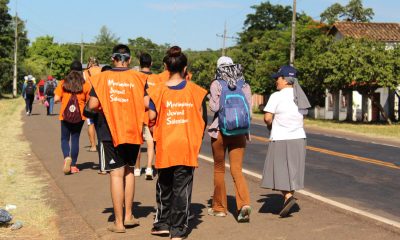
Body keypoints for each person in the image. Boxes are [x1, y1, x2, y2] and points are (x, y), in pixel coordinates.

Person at [148, 46, 207, 240]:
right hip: (186, 145)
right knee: (182, 189)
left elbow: (151, 116)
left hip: (166, 144)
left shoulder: (157, 91)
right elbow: (202, 119)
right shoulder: (196, 91)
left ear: (165, 66)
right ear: (185, 68)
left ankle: (162, 223)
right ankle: (178, 229)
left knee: (164, 186)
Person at [88, 44, 147, 233]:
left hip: (109, 131)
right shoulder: (138, 78)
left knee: (116, 174)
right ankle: (129, 215)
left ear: (112, 59)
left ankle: (118, 223)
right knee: (129, 172)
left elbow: (93, 105)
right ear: (129, 60)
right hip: (132, 130)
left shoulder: (101, 78)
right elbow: (146, 103)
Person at [261, 65, 311, 218]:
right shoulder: (300, 96)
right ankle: (288, 198)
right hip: (298, 138)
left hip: (281, 138)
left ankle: (288, 197)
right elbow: (303, 116)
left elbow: (267, 117)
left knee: (278, 171)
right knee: (293, 172)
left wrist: (270, 124)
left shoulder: (276, 96)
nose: (276, 81)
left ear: (285, 79)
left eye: (278, 78)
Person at [207, 56, 252, 222]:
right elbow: (249, 111)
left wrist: (210, 98)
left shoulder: (216, 83)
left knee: (219, 169)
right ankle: (244, 204)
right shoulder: (244, 84)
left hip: (220, 131)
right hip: (239, 132)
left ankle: (219, 208)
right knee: (237, 169)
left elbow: (214, 107)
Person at [54, 61, 91, 174]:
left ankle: (66, 157)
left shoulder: (63, 83)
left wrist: (63, 100)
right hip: (79, 116)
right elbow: (89, 100)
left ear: (70, 70)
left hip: (65, 115)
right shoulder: (85, 84)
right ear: (81, 71)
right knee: (75, 139)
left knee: (64, 139)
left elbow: (55, 99)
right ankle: (73, 165)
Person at [133, 53, 161, 180]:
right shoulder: (157, 78)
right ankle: (149, 168)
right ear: (151, 63)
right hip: (151, 114)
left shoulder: (135, 77)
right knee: (150, 143)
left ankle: (137, 168)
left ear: (139, 63)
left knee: (137, 143)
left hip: (136, 114)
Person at [93, 65, 112, 175]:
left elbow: (93, 103)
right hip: (114, 115)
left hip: (101, 114)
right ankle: (114, 163)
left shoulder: (98, 84)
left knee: (102, 139)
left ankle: (104, 167)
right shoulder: (116, 85)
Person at [84, 57, 102, 152]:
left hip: (90, 100)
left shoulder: (86, 72)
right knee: (102, 123)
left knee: (90, 124)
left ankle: (93, 146)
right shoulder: (102, 71)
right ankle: (102, 144)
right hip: (102, 100)